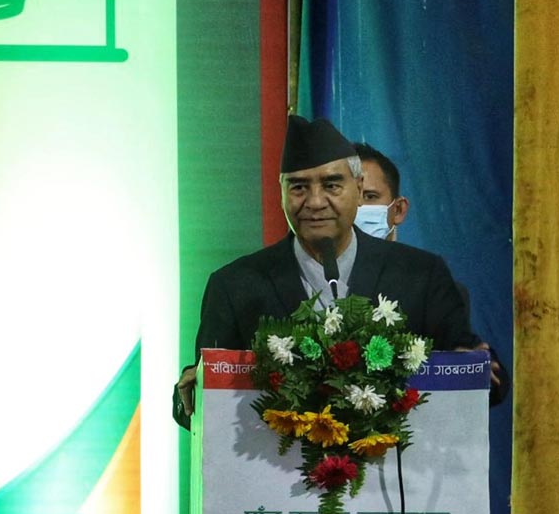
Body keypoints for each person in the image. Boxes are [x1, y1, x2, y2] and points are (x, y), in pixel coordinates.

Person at [173, 117, 479, 428]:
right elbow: (197, 405)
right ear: (281, 192)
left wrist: (480, 371)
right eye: (299, 187)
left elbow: (477, 379)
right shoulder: (235, 286)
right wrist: (193, 389)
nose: (315, 202)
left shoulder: (420, 275)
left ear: (358, 189)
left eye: (332, 185)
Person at [352, 142, 510, 406]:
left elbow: (481, 369)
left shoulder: (428, 284)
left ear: (398, 210)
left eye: (369, 197)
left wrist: (474, 367)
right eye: (350, 199)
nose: (358, 209)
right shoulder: (311, 279)